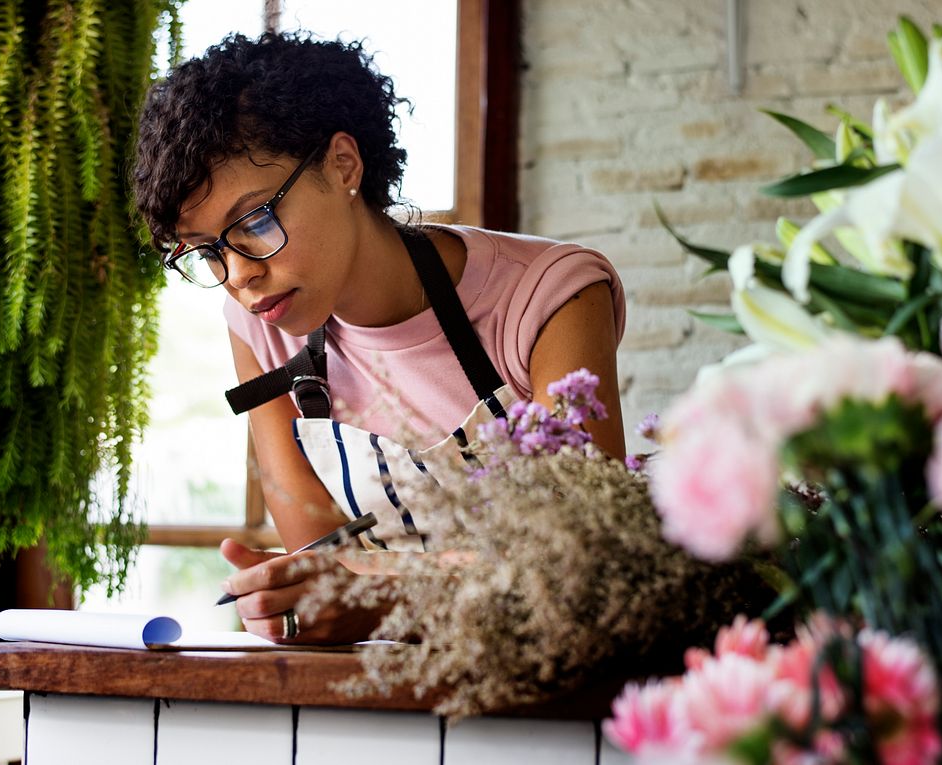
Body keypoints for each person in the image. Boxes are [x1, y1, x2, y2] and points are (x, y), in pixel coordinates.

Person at [134, 32, 626, 644]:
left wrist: (387, 594)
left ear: (343, 164)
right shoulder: (258, 326)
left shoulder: (552, 296)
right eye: (208, 253)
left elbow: (590, 565)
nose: (238, 275)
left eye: (254, 221)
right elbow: (323, 566)